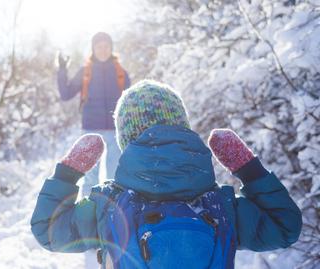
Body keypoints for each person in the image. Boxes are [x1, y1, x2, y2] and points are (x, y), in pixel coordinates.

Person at [31, 80, 302, 268]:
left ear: (125, 140)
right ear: (182, 126)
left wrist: (67, 173)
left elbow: (49, 231)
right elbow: (284, 227)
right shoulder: (222, 206)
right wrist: (249, 169)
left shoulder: (109, 205)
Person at [57, 32, 131, 197]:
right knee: (90, 178)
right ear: (93, 49)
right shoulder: (85, 72)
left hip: (115, 131)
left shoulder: (120, 72)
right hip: (90, 129)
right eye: (99, 46)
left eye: (106, 46)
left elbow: (130, 102)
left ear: (111, 48)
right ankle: (87, 213)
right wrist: (62, 70)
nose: (103, 50)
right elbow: (66, 94)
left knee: (115, 179)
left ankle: (113, 212)